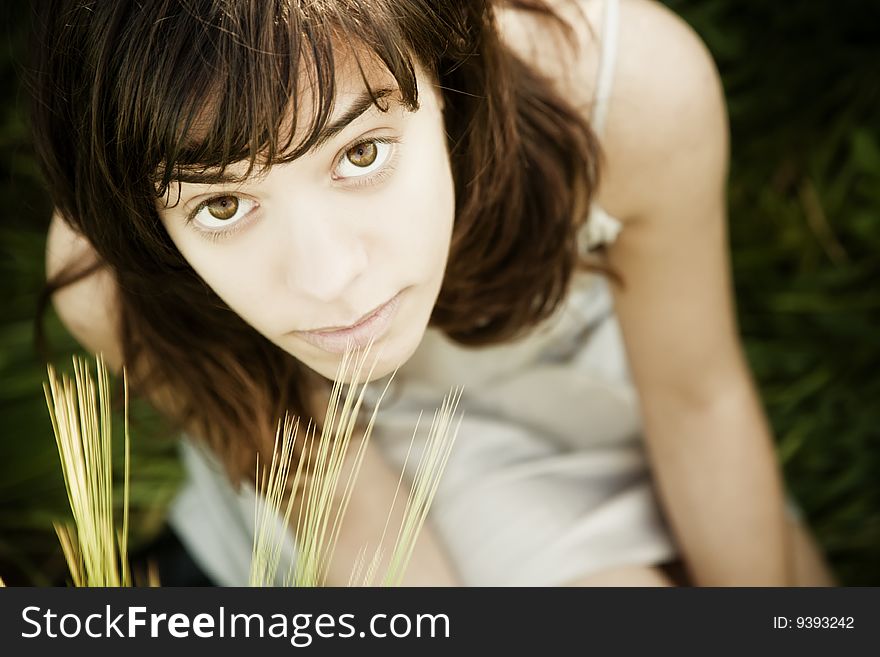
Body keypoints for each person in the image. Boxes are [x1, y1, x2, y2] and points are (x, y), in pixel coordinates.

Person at [35, 0, 834, 586]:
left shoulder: (628, 96)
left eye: (360, 153)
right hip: (363, 439)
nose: (329, 280)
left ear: (450, 72)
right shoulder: (112, 281)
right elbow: (344, 500)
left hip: (581, 361)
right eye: (222, 205)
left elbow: (697, 395)